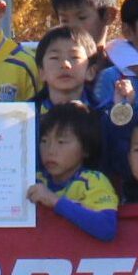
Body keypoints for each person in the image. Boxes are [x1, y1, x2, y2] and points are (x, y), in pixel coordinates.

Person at [29, 102, 121, 241]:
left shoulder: (92, 181)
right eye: (44, 140)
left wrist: (55, 201)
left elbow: (107, 227)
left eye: (61, 142)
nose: (50, 150)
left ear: (86, 148)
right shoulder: (34, 180)